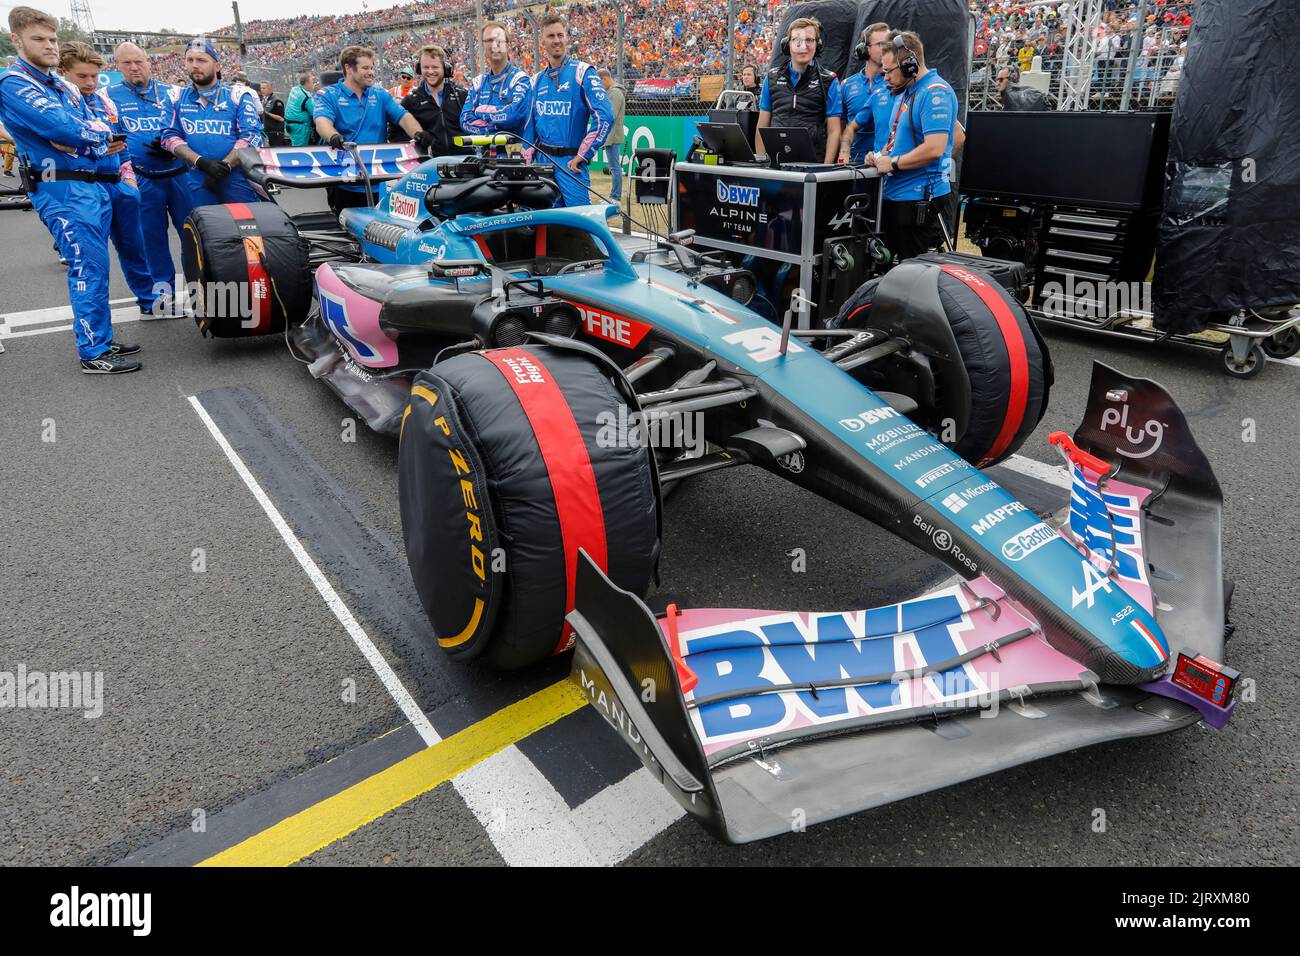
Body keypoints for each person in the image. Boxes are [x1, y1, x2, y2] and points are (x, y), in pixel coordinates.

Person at [0, 6, 139, 373]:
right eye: (39, 39)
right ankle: (94, 352)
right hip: (61, 189)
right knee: (87, 268)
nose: (49, 46)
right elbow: (66, 130)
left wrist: (85, 138)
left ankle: (100, 336)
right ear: (16, 40)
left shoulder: (60, 84)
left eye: (53, 39)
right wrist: (89, 138)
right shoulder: (13, 83)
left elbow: (90, 124)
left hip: (90, 185)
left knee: (98, 267)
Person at [62, 42, 164, 316]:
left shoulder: (105, 101)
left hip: (118, 184)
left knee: (135, 248)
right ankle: (99, 330)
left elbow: (122, 146)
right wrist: (96, 146)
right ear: (64, 73)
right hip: (84, 187)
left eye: (94, 76)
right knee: (94, 261)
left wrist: (129, 182)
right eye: (82, 76)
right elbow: (60, 145)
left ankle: (150, 302)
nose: (90, 82)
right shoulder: (59, 103)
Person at [107, 42, 192, 299]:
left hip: (180, 174)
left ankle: (203, 289)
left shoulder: (175, 92)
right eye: (127, 63)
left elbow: (192, 128)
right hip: (141, 178)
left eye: (139, 61)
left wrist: (176, 145)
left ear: (149, 62)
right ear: (117, 66)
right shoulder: (107, 96)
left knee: (194, 234)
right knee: (151, 240)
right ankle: (163, 295)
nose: (134, 68)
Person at [870, 32, 959, 261]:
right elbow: (900, 140)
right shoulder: (907, 91)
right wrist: (881, 157)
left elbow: (935, 148)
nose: (885, 76)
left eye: (889, 70)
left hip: (917, 201)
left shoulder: (935, 92)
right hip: (896, 197)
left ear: (910, 65)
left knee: (909, 275)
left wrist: (894, 163)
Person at [313, 45, 429, 216]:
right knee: (348, 234)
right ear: (348, 68)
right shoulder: (328, 94)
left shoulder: (380, 94)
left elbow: (403, 117)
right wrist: (334, 137)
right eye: (365, 68)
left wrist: (418, 133)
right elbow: (322, 121)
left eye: (372, 67)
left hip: (378, 179)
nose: (371, 72)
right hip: (343, 179)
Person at [523, 15, 614, 208]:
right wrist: (528, 159)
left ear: (567, 39)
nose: (556, 40)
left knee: (580, 226)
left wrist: (583, 154)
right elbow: (529, 125)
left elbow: (605, 115)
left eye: (560, 35)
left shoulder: (583, 72)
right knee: (543, 227)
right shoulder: (536, 80)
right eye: (550, 36)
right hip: (542, 164)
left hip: (572, 165)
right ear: (542, 42)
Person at [161, 38, 263, 207]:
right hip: (196, 178)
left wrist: (225, 166)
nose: (194, 65)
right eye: (190, 60)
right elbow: (168, 136)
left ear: (217, 66)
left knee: (247, 229)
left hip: (237, 177)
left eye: (201, 60)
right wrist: (201, 162)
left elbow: (251, 136)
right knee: (208, 230)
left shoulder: (238, 95)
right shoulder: (175, 97)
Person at [755, 17, 843, 165]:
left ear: (818, 45)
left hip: (813, 166)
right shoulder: (771, 78)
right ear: (787, 45)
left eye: (809, 40)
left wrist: (825, 169)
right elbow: (762, 124)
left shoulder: (830, 80)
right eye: (797, 40)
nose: (803, 46)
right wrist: (762, 163)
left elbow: (834, 131)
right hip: (776, 165)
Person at [459, 20, 532, 141]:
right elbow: (465, 120)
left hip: (514, 155)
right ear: (483, 46)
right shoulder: (478, 83)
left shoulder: (520, 79)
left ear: (507, 44)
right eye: (489, 40)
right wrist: (494, 127)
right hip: (484, 156)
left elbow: (512, 116)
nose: (494, 45)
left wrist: (480, 112)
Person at [400, 44, 469, 157]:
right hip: (430, 166)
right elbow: (396, 134)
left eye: (435, 67)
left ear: (445, 69)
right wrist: (417, 137)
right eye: (426, 67)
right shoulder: (410, 102)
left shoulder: (463, 96)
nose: (430, 71)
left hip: (465, 162)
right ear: (419, 69)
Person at [837, 21, 891, 165]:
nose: (886, 48)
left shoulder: (895, 83)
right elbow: (840, 127)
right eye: (880, 44)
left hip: (886, 161)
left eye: (889, 44)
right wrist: (844, 153)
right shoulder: (847, 85)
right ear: (865, 49)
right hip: (854, 164)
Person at [598, 68, 625, 203]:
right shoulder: (613, 91)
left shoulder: (614, 92)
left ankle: (616, 197)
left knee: (615, 168)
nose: (600, 86)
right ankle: (613, 195)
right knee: (614, 167)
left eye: (600, 82)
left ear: (604, 79)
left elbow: (610, 116)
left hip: (613, 135)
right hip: (611, 134)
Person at [285, 72, 316, 146]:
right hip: (300, 127)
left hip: (289, 123)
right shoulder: (306, 96)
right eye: (312, 83)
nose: (313, 85)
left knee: (294, 145)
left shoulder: (294, 89)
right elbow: (314, 112)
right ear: (307, 83)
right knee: (300, 148)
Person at [260, 82, 286, 146]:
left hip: (275, 133)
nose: (261, 90)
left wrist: (267, 113)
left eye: (264, 88)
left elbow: (281, 119)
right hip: (266, 132)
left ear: (270, 89)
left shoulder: (277, 101)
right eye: (261, 88)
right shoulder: (263, 100)